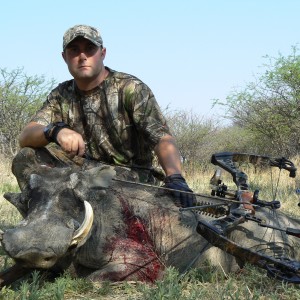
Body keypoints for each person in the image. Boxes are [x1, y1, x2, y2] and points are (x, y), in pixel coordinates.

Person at [15, 24, 195, 208]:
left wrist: (175, 178)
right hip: (83, 174)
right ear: (64, 57)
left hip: (131, 182)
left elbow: (161, 137)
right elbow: (25, 136)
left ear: (103, 53)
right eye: (74, 50)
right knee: (27, 156)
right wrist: (54, 131)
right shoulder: (60, 94)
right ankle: (40, 214)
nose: (83, 56)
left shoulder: (131, 88)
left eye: (90, 49)